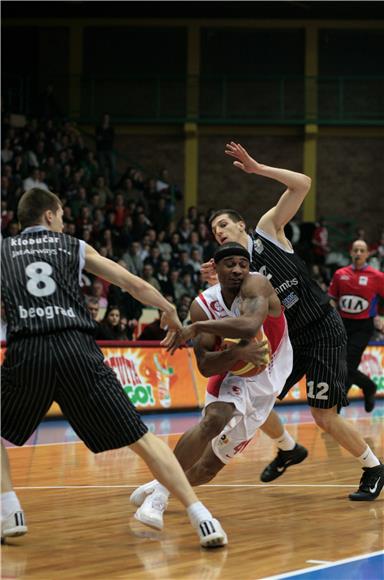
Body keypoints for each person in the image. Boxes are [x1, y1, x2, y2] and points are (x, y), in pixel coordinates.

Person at [1, 187, 227, 548]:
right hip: (77, 348)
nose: (62, 221)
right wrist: (168, 310)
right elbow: (131, 283)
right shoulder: (72, 245)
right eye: (60, 215)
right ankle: (202, 517)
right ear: (48, 216)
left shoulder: (3, 251)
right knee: (144, 439)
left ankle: (9, 510)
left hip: (28, 349)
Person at [197, 142, 383, 501]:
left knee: (323, 415)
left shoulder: (268, 230)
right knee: (257, 399)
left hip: (323, 329)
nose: (217, 231)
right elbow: (241, 318)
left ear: (239, 224)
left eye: (222, 224)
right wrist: (217, 288)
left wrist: (257, 168)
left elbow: (303, 183)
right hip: (287, 341)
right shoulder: (233, 273)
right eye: (212, 229)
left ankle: (374, 467)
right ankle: (287, 448)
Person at [130, 242, 294, 529]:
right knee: (213, 421)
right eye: (229, 264)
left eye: (243, 263)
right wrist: (237, 354)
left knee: (206, 470)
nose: (238, 269)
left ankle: (160, 483)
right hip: (233, 374)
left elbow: (248, 327)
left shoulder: (257, 283)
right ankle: (158, 498)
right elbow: (205, 366)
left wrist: (198, 328)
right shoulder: (202, 305)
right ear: (215, 269)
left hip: (268, 381)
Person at [328, 239, 384, 412]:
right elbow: (332, 298)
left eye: (362, 250)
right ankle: (368, 386)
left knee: (349, 364)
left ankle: (336, 406)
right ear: (351, 252)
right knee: (339, 364)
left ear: (367, 254)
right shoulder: (339, 274)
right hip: (343, 324)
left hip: (363, 326)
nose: (358, 253)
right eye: (356, 250)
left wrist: (381, 316)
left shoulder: (377, 276)